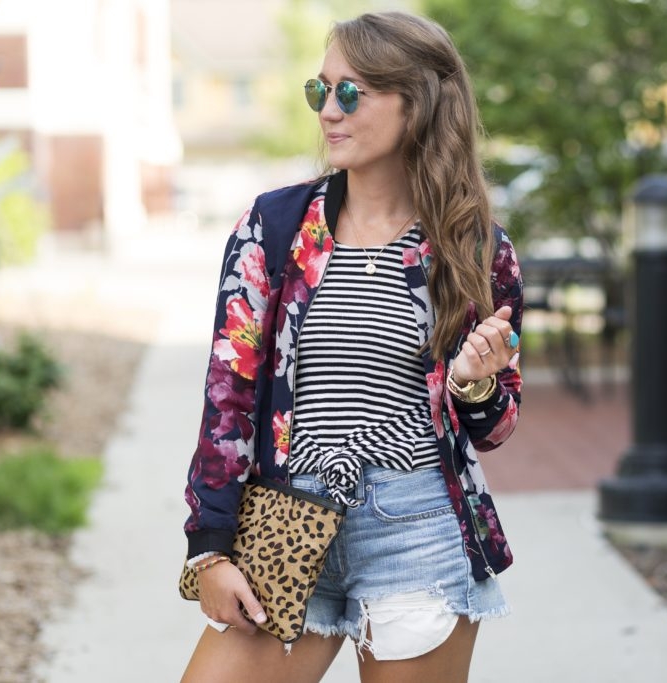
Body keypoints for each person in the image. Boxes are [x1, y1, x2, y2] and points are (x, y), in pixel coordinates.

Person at [180, 10, 524, 683]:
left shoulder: (475, 248)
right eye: (320, 91)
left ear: (417, 104)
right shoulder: (274, 228)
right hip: (287, 515)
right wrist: (211, 548)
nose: (328, 112)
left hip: (415, 525)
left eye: (350, 93)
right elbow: (230, 391)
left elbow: (497, 425)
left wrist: (473, 381)